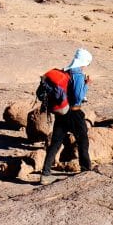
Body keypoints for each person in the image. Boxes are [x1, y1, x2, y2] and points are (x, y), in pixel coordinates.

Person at [40, 48, 93, 185]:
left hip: (62, 112)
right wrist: (86, 86)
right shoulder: (79, 75)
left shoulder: (66, 71)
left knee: (56, 143)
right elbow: (78, 97)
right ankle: (86, 169)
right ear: (84, 62)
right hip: (74, 113)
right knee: (83, 141)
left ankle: (45, 173)